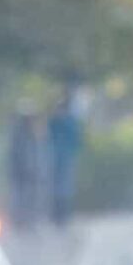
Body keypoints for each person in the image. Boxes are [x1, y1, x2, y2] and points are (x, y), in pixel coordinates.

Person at [46, 92, 85, 228]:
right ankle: (55, 218)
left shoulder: (70, 123)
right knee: (54, 190)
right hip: (53, 161)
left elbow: (76, 142)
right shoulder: (54, 123)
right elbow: (48, 140)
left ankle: (64, 218)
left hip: (66, 161)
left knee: (65, 190)